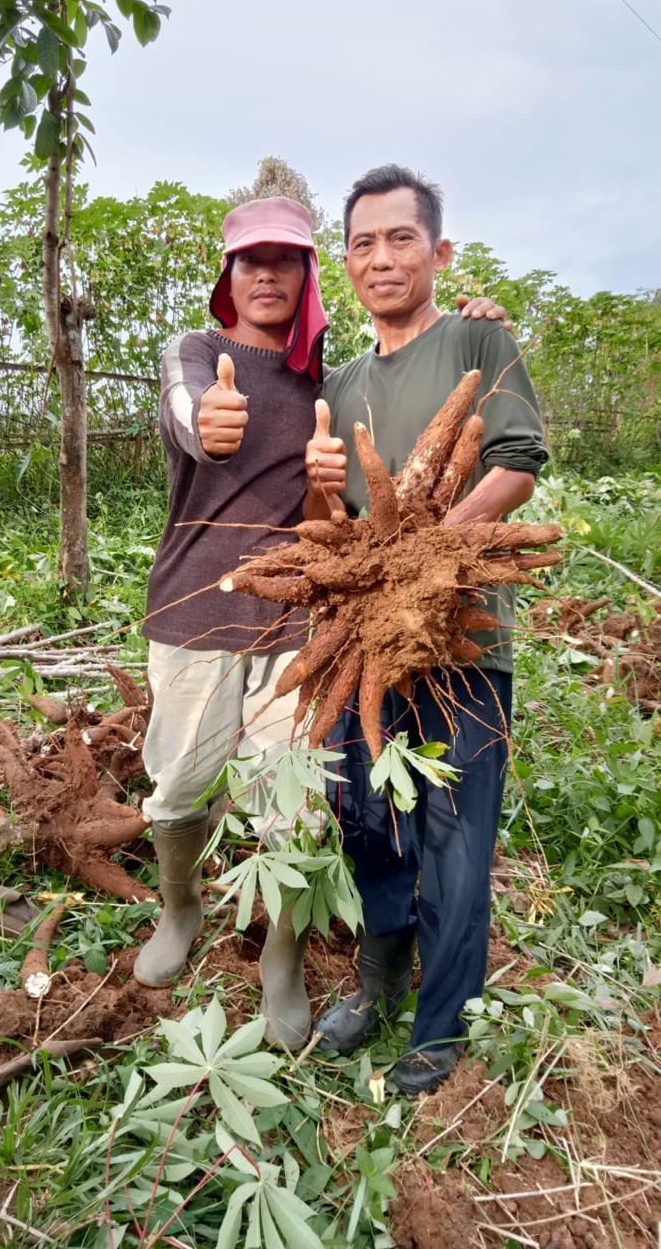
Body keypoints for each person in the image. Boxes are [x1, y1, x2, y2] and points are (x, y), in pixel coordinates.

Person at [134, 193, 510, 1051]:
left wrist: (473, 321)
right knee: (179, 789)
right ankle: (181, 909)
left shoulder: (324, 380)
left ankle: (281, 956)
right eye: (249, 261)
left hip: (297, 626)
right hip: (191, 613)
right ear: (228, 276)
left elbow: (324, 505)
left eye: (286, 260)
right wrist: (210, 423)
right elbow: (196, 416)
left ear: (308, 274)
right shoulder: (195, 354)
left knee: (292, 811)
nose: (267, 273)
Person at [304, 165, 549, 1092]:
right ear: (348, 261)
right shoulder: (340, 378)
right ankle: (378, 982)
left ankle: (440, 1025)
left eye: (401, 238)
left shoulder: (479, 339)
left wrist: (430, 557)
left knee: (452, 833)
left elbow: (517, 463)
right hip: (362, 644)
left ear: (439, 252)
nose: (380, 258)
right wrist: (326, 486)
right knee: (366, 815)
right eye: (362, 242)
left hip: (463, 646)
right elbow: (327, 517)